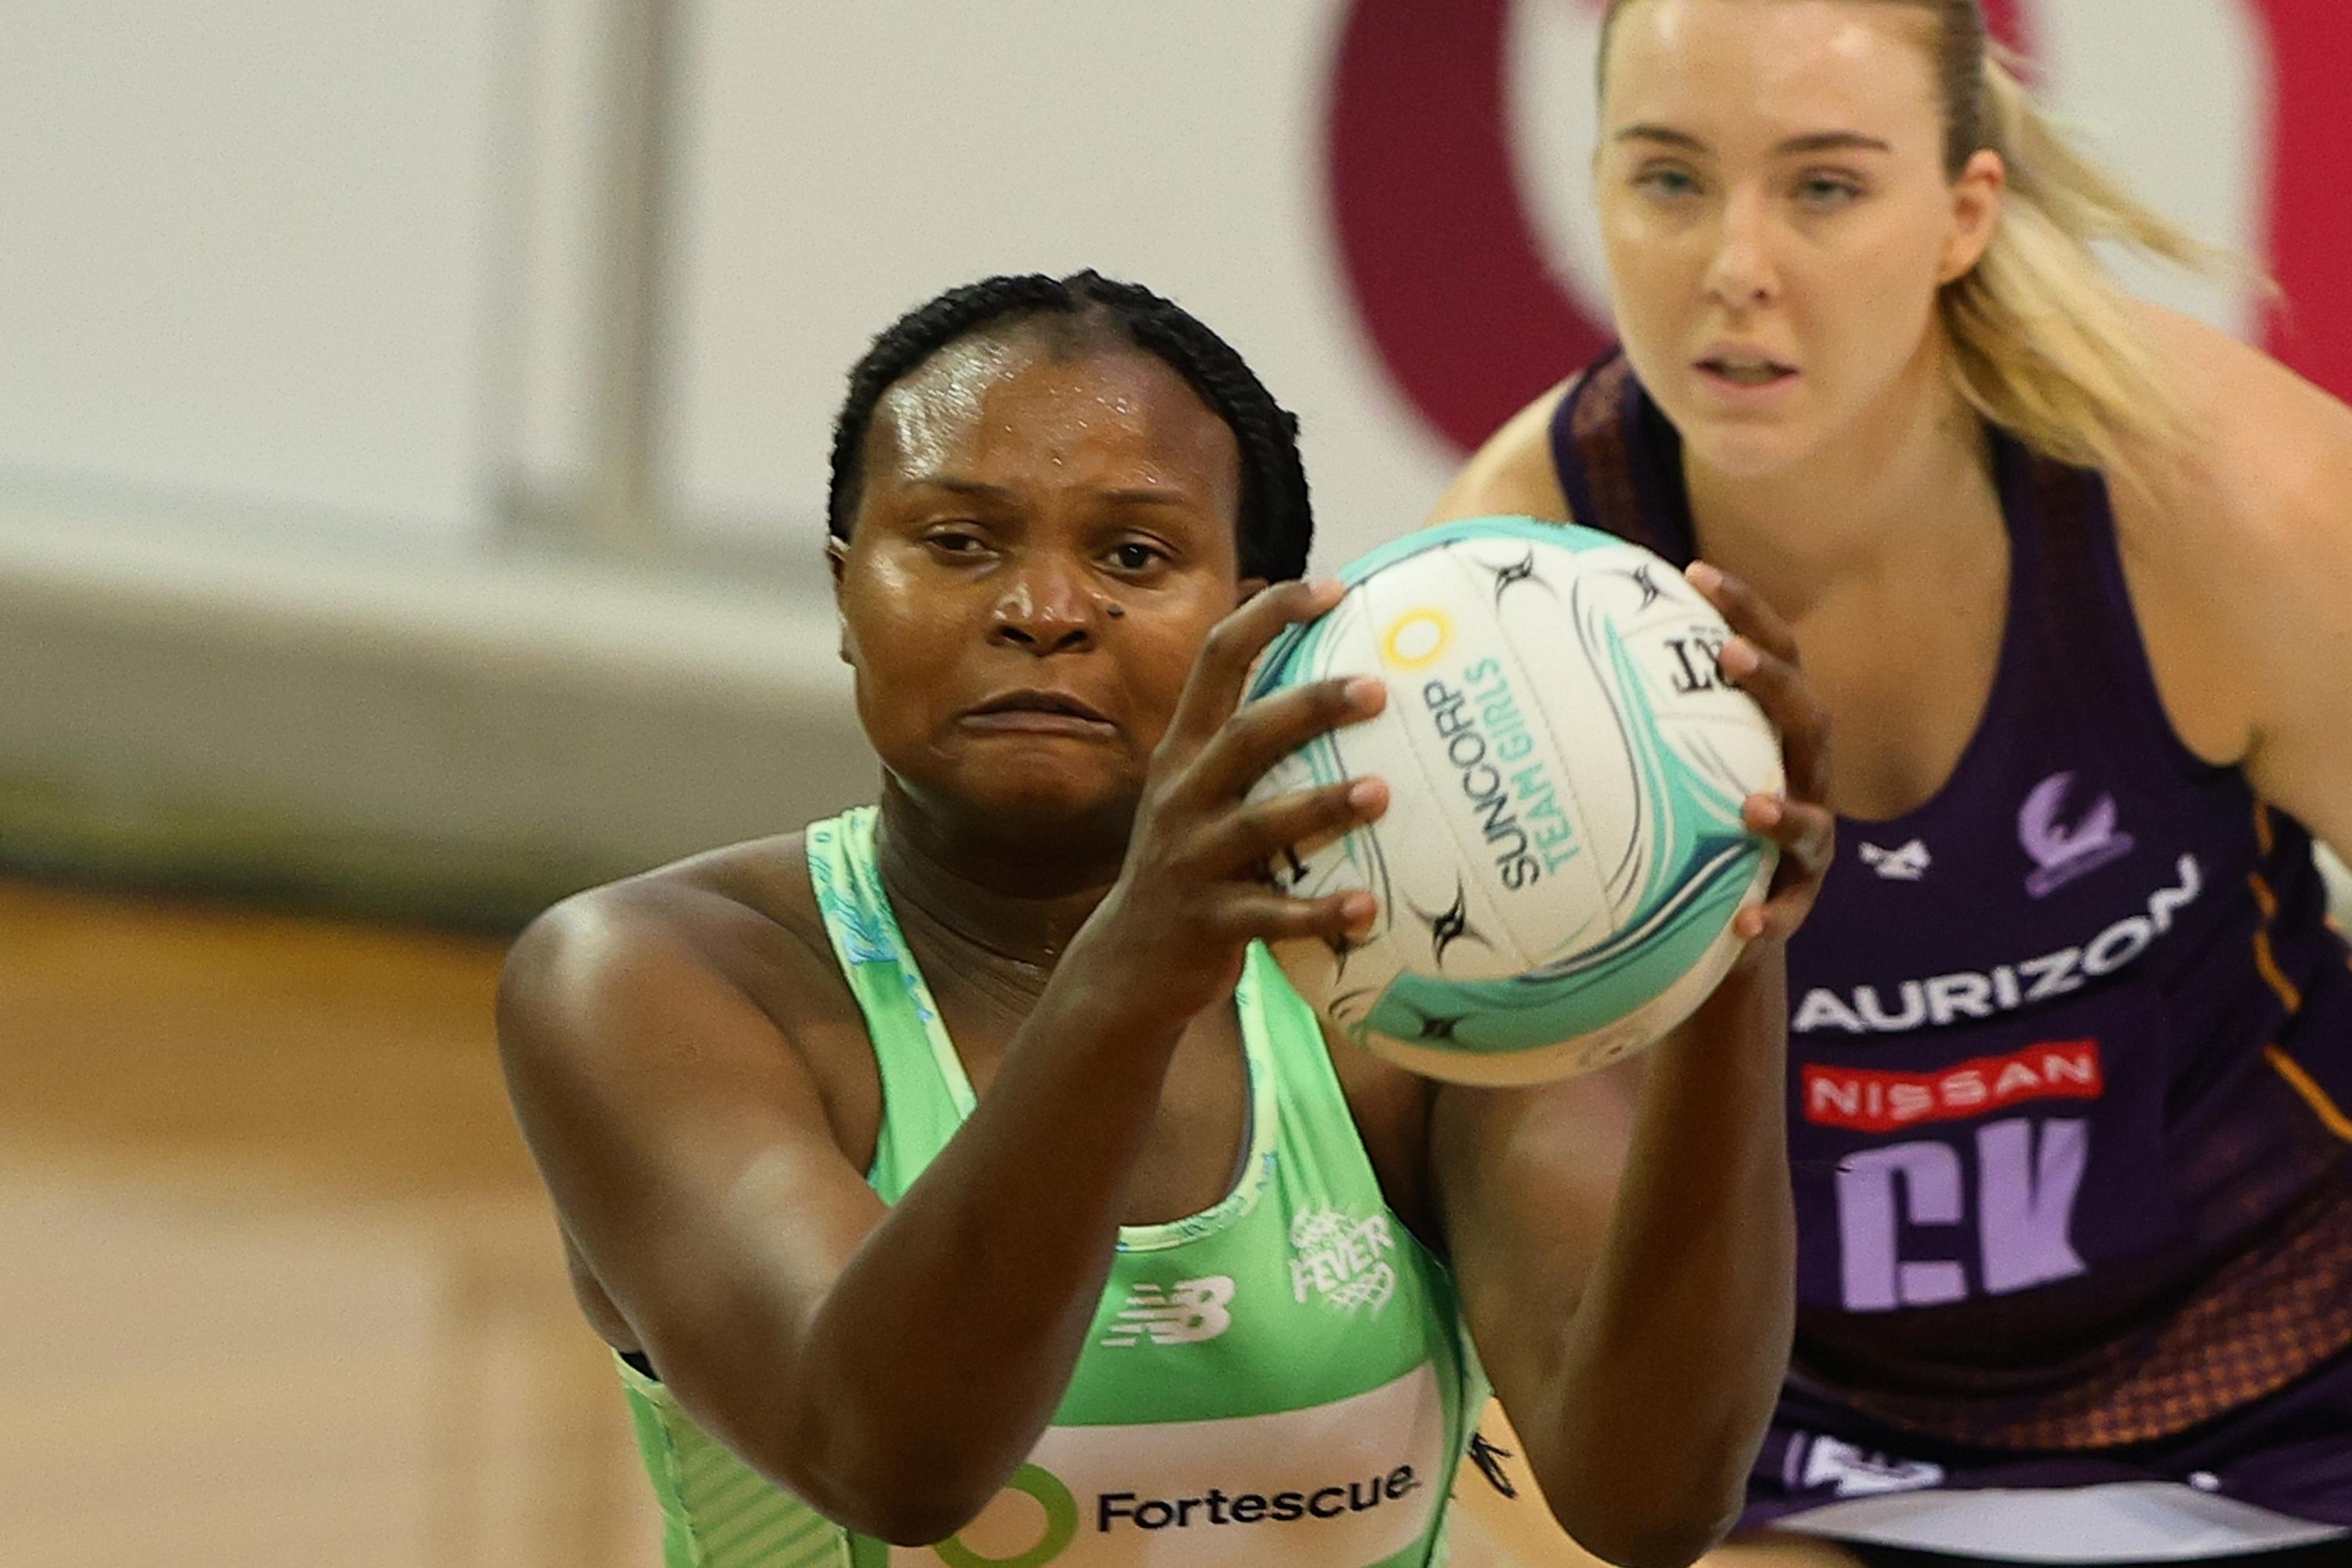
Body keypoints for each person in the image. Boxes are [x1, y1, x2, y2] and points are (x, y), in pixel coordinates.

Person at [496, 270, 1834, 1567]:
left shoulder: (1421, 995)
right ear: (848, 591)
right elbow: (888, 1459)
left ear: (1261, 627)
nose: (1042, 612)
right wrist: (1131, 972)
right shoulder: (647, 981)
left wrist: (1726, 951)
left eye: (1134, 555)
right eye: (957, 542)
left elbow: (1648, 1505)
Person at [1433, 1, 2352, 1563]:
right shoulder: (1517, 586)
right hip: (1798, 1429)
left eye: (1826, 187)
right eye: (1669, 180)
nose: (1736, 264)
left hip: (2291, 1375)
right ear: (1591, 185)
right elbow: (1526, 1256)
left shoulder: (2231, 503)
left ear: (1963, 212)